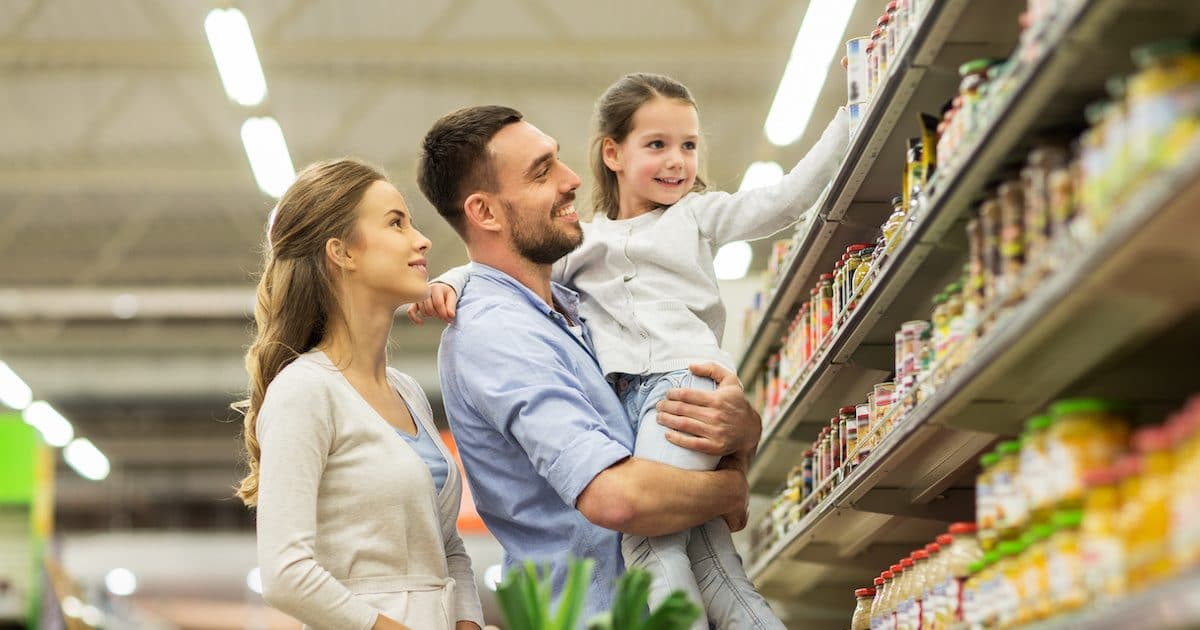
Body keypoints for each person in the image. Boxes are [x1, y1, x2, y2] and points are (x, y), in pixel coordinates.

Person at [416, 73, 848, 628]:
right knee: (675, 553)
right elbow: (620, 503)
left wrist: (741, 433)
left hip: (677, 395)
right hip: (600, 613)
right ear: (486, 212)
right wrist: (732, 484)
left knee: (716, 566)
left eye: (688, 145)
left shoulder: (571, 303)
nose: (571, 179)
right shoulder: (498, 333)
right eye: (543, 170)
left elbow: (783, 200)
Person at [234, 158, 485, 630]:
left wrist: (468, 623)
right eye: (396, 223)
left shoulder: (407, 391)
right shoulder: (304, 391)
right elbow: (285, 574)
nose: (423, 239)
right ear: (342, 252)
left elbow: (448, 548)